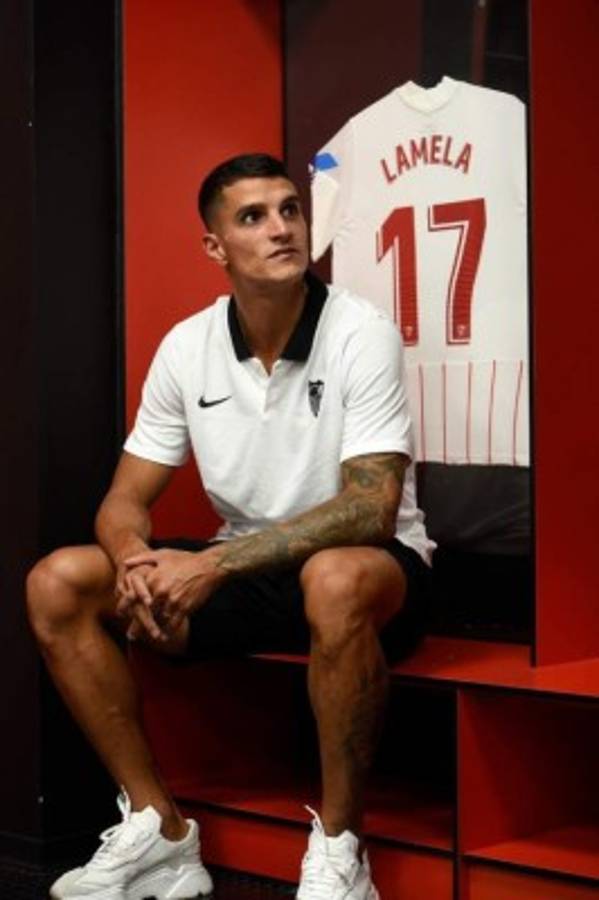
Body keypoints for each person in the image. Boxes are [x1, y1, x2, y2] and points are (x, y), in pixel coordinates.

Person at [26, 153, 435, 900]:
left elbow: (370, 507)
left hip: (369, 568)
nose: (281, 228)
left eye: (289, 209)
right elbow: (123, 500)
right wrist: (133, 561)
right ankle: (160, 832)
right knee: (57, 581)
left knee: (333, 576)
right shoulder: (188, 346)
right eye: (253, 217)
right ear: (215, 247)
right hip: (246, 568)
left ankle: (341, 852)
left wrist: (212, 566)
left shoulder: (359, 331)